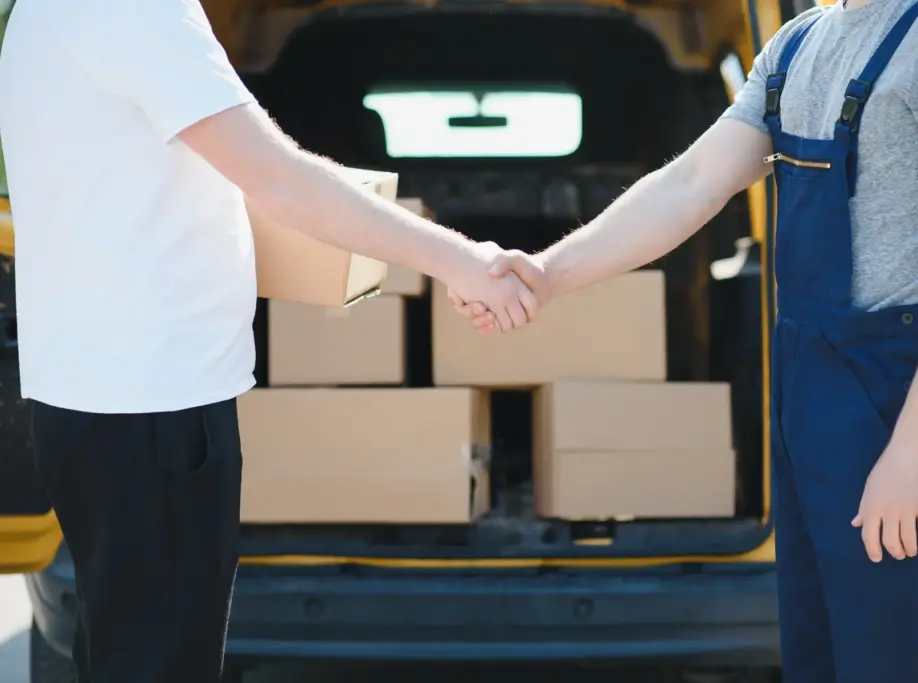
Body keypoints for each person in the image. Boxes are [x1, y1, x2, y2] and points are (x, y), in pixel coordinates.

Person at [453, 0, 918, 680]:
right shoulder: (796, 45)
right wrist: (548, 274)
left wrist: (917, 444)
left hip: (904, 395)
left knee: (904, 662)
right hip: (813, 389)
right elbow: (691, 185)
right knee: (822, 657)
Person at [0, 0, 536, 681]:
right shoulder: (137, 9)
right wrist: (461, 262)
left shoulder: (42, 14)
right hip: (153, 411)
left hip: (89, 403)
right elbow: (279, 179)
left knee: (120, 654)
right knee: (160, 664)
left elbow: (162, 185)